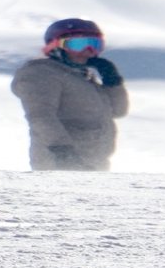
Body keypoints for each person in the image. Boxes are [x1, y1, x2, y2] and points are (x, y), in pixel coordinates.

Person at [11, 18, 129, 171]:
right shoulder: (42, 73)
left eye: (94, 45)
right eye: (77, 45)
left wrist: (112, 80)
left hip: (94, 163)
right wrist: (63, 151)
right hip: (60, 163)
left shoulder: (82, 77)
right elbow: (40, 116)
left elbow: (118, 111)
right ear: (54, 46)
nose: (87, 51)